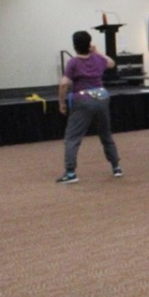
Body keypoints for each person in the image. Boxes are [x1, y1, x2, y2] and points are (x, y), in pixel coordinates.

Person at [56, 31, 122, 184]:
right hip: (102, 97)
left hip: (83, 99)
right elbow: (111, 63)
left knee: (72, 138)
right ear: (89, 44)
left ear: (74, 46)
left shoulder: (73, 62)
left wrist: (61, 102)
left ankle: (71, 172)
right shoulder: (97, 59)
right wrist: (96, 51)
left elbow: (64, 83)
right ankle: (116, 166)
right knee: (106, 134)